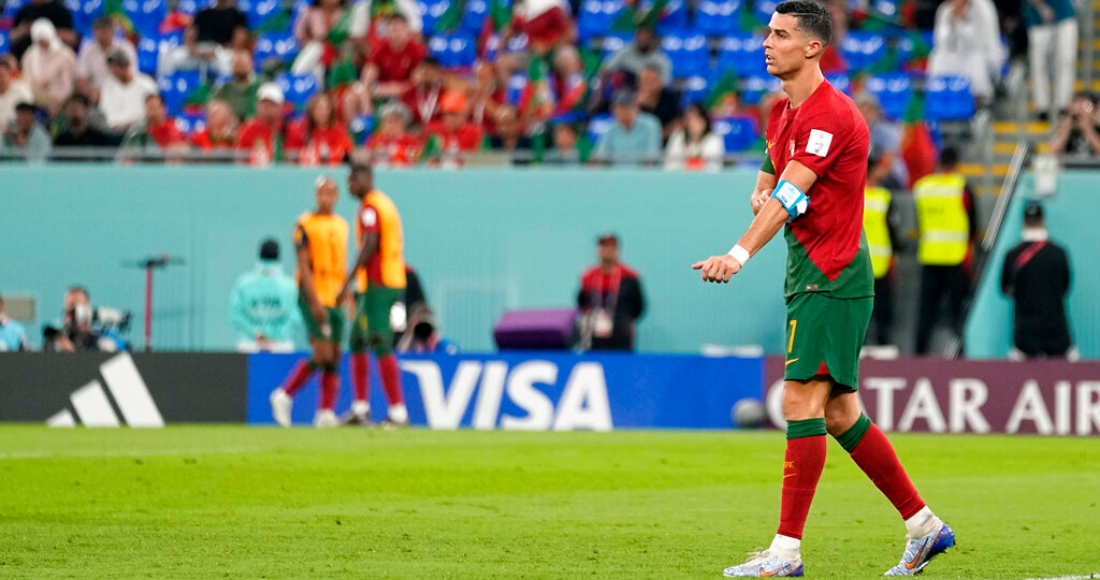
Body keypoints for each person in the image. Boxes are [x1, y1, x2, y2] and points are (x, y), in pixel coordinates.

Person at [691, 3, 953, 576]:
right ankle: (925, 526)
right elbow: (768, 189)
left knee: (799, 400)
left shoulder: (830, 115)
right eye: (766, 32)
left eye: (780, 35)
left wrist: (737, 253)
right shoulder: (782, 112)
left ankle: (785, 552)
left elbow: (788, 196)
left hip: (831, 274)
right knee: (837, 413)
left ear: (812, 47)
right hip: (809, 272)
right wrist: (765, 199)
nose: (767, 43)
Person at [269, 177, 350, 428]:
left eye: (330, 193)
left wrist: (348, 295)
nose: (326, 198)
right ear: (316, 196)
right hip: (314, 292)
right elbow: (303, 263)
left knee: (335, 354)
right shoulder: (305, 224)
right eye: (321, 193)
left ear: (337, 196)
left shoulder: (342, 225)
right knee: (322, 352)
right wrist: (313, 301)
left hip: (336, 292)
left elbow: (342, 264)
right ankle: (284, 395)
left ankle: (325, 412)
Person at [339, 164, 410, 426]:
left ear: (366, 178)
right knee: (357, 340)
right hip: (378, 284)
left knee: (380, 341)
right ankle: (360, 409)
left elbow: (370, 245)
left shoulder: (371, 208)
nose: (350, 186)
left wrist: (346, 282)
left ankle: (398, 413)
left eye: (353, 180)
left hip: (381, 284)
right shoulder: (382, 203)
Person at [913, 146, 977, 356]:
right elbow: (973, 226)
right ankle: (961, 354)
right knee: (959, 312)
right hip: (956, 258)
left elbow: (920, 223)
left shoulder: (923, 187)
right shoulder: (961, 187)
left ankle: (918, 355)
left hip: (930, 256)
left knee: (926, 312)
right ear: (957, 163)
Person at [1001, 202, 1077, 360]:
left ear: (1024, 222)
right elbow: (1065, 286)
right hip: (1056, 332)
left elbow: (1005, 288)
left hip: (1025, 333)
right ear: (1043, 221)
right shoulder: (1059, 253)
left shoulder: (1013, 255)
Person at [927, 0, 1004, 107]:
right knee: (937, 58)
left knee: (976, 61)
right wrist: (952, 21)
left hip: (977, 53)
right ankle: (940, 96)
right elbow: (940, 41)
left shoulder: (982, 8)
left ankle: (977, 100)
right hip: (951, 55)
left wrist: (963, 20)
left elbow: (981, 41)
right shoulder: (945, 10)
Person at [229, 239, 301, 353]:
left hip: (250, 345)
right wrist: (277, 335)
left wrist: (256, 333)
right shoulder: (291, 286)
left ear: (259, 255)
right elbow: (296, 315)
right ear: (278, 256)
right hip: (280, 346)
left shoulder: (243, 283)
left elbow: (236, 313)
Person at [577, 234, 645, 351]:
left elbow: (638, 306)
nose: (607, 250)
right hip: (594, 335)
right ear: (598, 249)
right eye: (604, 246)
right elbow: (581, 302)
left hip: (620, 335)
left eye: (611, 246)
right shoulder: (589, 276)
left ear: (617, 249)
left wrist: (622, 320)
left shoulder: (629, 276)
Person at [863, 162, 901, 346]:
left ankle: (879, 348)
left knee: (879, 313)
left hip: (862, 265)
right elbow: (893, 229)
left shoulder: (853, 196)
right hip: (877, 264)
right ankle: (880, 348)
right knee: (878, 313)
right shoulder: (883, 197)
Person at [1025, 0, 1076, 121]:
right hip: (1037, 17)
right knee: (1038, 64)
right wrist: (1041, 7)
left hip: (1064, 14)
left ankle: (1063, 104)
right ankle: (1042, 106)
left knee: (1066, 61)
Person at [20, 19, 79, 115]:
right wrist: (40, 85)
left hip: (60, 99)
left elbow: (68, 84)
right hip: (35, 97)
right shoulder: (30, 55)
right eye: (39, 41)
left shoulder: (65, 55)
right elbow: (27, 79)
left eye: (44, 40)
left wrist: (59, 101)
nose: (42, 43)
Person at [76, 17, 138, 105]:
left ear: (112, 31)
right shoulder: (87, 51)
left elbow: (132, 75)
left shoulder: (126, 48)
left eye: (104, 30)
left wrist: (117, 92)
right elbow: (81, 78)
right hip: (97, 95)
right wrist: (90, 92)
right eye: (98, 30)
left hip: (122, 92)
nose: (101, 34)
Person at [362, 14, 426, 99]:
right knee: (352, 97)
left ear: (407, 31)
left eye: (399, 30)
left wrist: (398, 88)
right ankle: (367, 112)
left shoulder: (418, 51)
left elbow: (419, 79)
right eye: (392, 30)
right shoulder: (380, 49)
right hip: (382, 90)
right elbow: (369, 72)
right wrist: (370, 88)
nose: (395, 34)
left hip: (407, 93)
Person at [593, 89, 661, 166]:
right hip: (615, 175)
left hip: (642, 175)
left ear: (635, 108)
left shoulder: (650, 125)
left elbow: (652, 157)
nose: (620, 111)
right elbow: (601, 156)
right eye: (617, 108)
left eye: (624, 107)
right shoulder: (610, 129)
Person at [855, 91, 907, 190]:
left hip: (886, 174)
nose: (865, 114)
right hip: (859, 172)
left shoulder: (886, 132)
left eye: (869, 111)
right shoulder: (849, 132)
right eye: (861, 109)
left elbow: (887, 162)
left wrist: (868, 179)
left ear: (876, 113)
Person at [286, 92, 354, 165]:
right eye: (319, 108)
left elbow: (347, 151)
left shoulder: (339, 130)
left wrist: (331, 153)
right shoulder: (299, 129)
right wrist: (305, 153)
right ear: (311, 110)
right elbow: (288, 153)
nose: (323, 112)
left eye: (326, 108)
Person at [98, 49, 158, 132]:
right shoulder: (107, 87)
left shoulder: (146, 84)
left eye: (117, 66)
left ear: (127, 65)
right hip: (112, 132)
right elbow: (104, 112)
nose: (113, 70)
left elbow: (153, 112)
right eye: (111, 66)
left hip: (139, 129)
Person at [600, 23, 672, 88]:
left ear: (652, 37)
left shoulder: (660, 58)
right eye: (640, 34)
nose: (643, 38)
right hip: (628, 90)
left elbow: (665, 82)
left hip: (650, 92)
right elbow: (606, 70)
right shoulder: (625, 52)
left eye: (646, 35)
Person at [236, 82, 287, 165]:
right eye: (264, 105)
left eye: (272, 105)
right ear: (258, 106)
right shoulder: (249, 130)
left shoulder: (287, 129)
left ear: (280, 107)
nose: (268, 109)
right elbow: (240, 158)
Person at [53, 93, 120, 157]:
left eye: (77, 107)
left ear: (85, 110)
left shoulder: (98, 139)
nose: (74, 112)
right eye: (70, 108)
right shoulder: (60, 141)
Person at [8, 0, 77, 61]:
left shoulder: (60, 11)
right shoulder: (24, 11)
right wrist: (26, 30)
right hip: (25, 56)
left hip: (53, 58)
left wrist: (44, 31)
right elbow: (12, 36)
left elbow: (71, 37)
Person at [664, 102, 725, 171]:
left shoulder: (714, 139)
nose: (692, 124)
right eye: (689, 119)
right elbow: (669, 165)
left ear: (704, 121)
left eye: (696, 119)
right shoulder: (678, 137)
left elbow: (714, 167)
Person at [366, 101, 421, 167]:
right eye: (384, 122)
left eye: (391, 122)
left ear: (403, 123)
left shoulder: (411, 141)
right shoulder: (375, 139)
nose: (386, 126)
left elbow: (416, 157)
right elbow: (369, 155)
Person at [211, 50, 259, 122]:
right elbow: (213, 106)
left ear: (251, 65)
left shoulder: (260, 85)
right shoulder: (225, 89)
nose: (239, 69)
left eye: (242, 65)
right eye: (237, 65)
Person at [636, 64, 681, 140]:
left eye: (652, 81)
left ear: (660, 82)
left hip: (665, 140)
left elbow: (679, 122)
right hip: (639, 142)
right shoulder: (632, 100)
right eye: (645, 81)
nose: (648, 85)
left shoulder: (670, 97)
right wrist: (637, 106)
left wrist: (658, 135)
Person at [1049, 92, 1100, 158]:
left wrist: (1088, 131)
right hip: (1070, 167)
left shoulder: (1097, 128)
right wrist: (1066, 132)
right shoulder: (1067, 129)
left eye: (1083, 109)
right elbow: (1052, 153)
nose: (1079, 113)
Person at [0, 58, 34, 133]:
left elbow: (28, 117)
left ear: (9, 74)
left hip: (18, 134)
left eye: (1, 75)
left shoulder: (22, 91)